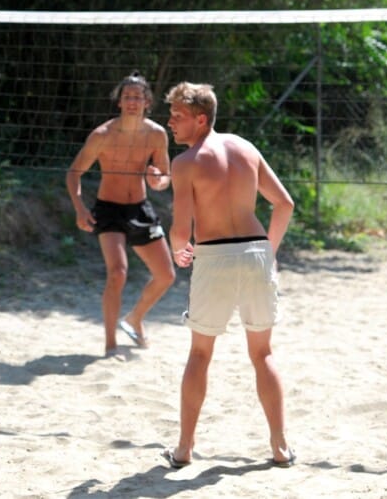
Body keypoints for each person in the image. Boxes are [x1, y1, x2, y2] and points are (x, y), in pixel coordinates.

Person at [162, 82, 295, 469]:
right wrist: (269, 251)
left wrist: (177, 250)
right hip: (255, 253)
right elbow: (284, 204)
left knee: (200, 353)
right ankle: (280, 447)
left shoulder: (186, 162)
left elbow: (180, 229)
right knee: (263, 353)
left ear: (200, 119)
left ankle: (184, 449)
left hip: (215, 256)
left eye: (178, 116)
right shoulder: (245, 148)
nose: (171, 122)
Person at [66, 71, 176, 355]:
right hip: (109, 210)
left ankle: (135, 318)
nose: (132, 102)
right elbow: (74, 174)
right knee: (118, 273)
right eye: (127, 97)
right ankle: (110, 344)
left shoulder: (156, 134)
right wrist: (79, 208)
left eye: (138, 97)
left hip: (140, 208)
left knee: (166, 276)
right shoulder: (102, 135)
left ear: (147, 102)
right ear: (119, 102)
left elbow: (165, 176)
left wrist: (157, 180)